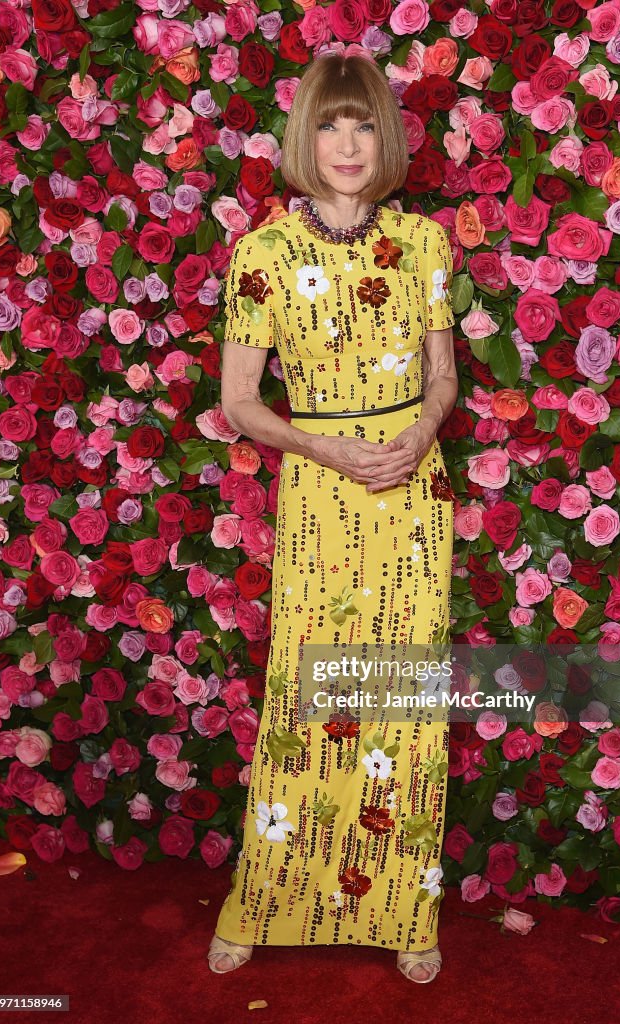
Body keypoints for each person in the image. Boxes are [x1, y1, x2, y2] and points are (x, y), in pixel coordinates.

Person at [207, 51, 458, 984]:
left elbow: (443, 373)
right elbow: (240, 401)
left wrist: (426, 426)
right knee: (306, 699)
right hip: (322, 491)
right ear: (305, 138)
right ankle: (266, 902)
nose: (347, 144)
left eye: (362, 125)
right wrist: (330, 449)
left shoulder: (425, 245)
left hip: (412, 494)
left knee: (402, 703)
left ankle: (405, 909)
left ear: (381, 136)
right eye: (329, 125)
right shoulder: (265, 252)